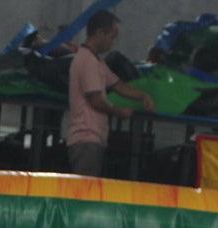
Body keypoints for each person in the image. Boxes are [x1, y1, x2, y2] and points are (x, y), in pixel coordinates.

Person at [66, 11, 155, 177]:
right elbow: (96, 100)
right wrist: (119, 111)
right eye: (112, 37)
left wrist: (143, 96)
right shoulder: (87, 61)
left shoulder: (97, 62)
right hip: (86, 138)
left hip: (93, 139)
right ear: (100, 33)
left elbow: (118, 85)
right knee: (86, 189)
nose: (113, 43)